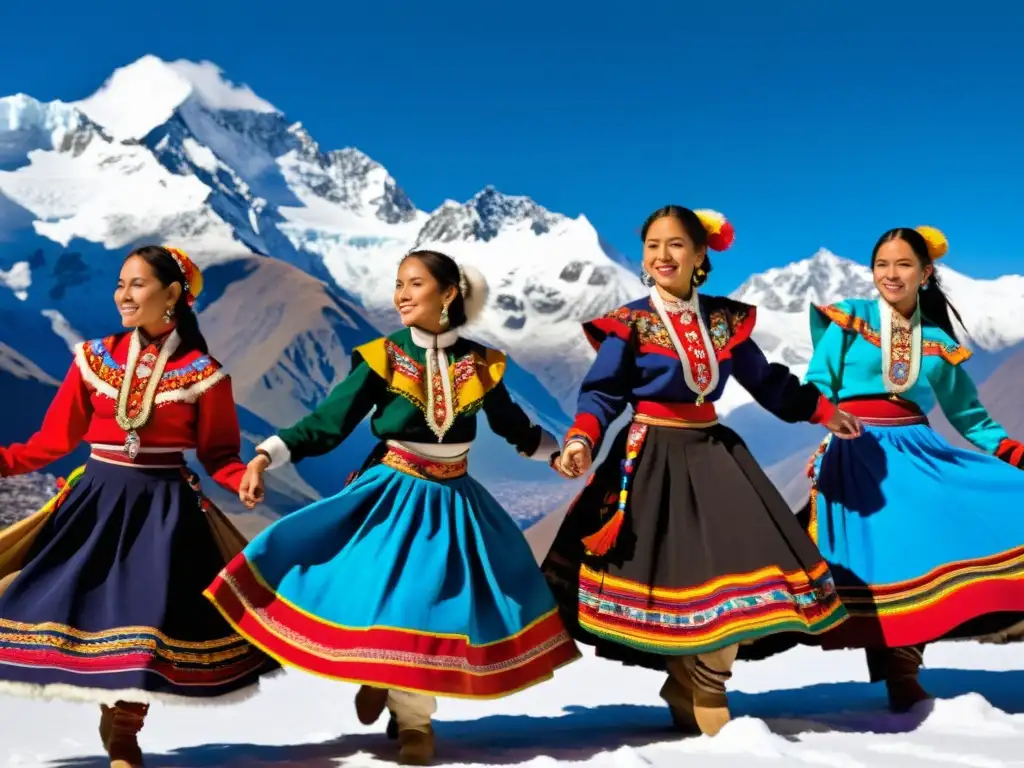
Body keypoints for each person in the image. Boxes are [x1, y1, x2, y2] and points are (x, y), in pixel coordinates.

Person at [204, 249, 580, 765]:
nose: (401, 294)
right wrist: (267, 456)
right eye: (398, 283)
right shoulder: (382, 357)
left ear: (449, 294)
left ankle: (399, 696)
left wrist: (556, 453)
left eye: (415, 283)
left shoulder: (480, 364)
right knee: (396, 601)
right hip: (394, 495)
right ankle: (413, 719)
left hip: (456, 501)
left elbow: (514, 427)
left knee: (436, 607)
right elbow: (329, 422)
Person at [541, 205, 862, 737]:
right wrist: (581, 439)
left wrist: (823, 411)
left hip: (715, 453)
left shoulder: (726, 322)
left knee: (743, 565)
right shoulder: (630, 324)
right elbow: (602, 394)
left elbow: (769, 382)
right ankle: (681, 674)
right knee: (669, 574)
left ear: (700, 254)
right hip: (648, 458)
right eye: (652, 246)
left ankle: (709, 677)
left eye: (675, 245)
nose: (662, 256)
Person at [0, 245, 278, 768]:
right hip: (95, 503)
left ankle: (125, 726)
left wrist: (244, 480)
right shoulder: (92, 358)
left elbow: (219, 454)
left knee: (146, 621)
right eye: (120, 284)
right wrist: (3, 462)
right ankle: (114, 713)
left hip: (163, 510)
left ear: (172, 294)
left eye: (137, 284)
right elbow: (52, 441)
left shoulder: (205, 373)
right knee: (74, 606)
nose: (123, 295)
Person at [791, 225, 1024, 711]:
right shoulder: (849, 320)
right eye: (882, 264)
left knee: (966, 524)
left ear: (925, 273)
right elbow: (816, 382)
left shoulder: (937, 342)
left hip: (921, 451)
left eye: (902, 264)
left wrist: (1010, 452)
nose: (890, 274)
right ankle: (900, 673)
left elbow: (967, 415)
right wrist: (830, 418)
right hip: (859, 449)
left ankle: (903, 669)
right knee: (892, 555)